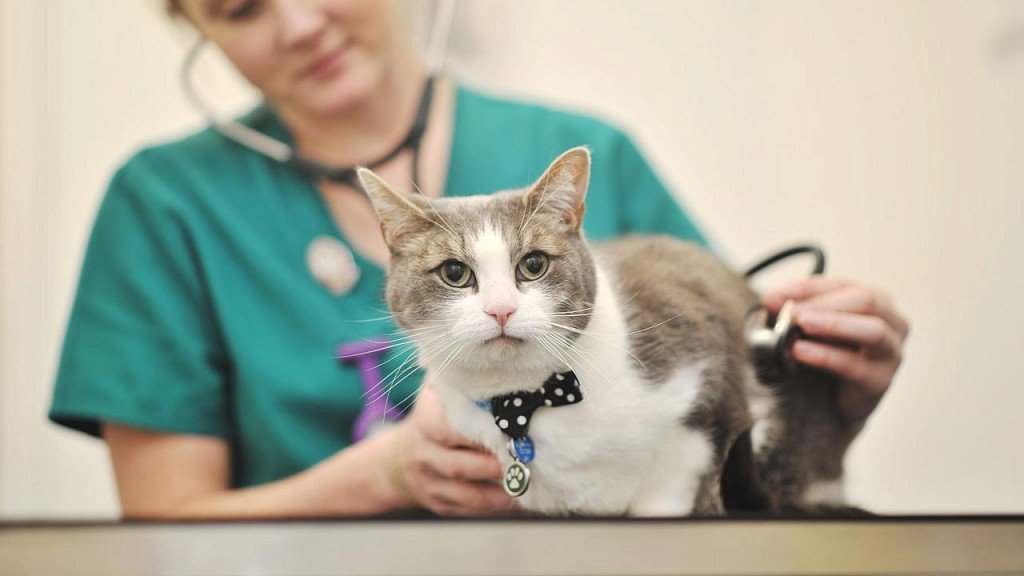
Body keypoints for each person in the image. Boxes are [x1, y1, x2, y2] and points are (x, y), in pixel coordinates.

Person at [48, 0, 909, 519]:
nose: (300, 23)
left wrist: (827, 390)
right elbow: (162, 528)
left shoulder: (575, 150)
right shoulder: (164, 205)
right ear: (196, 26)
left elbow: (719, 427)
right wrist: (385, 475)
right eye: (240, 8)